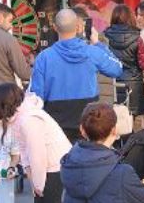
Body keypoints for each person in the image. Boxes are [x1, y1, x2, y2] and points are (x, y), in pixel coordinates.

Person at [3, 84, 72, 203]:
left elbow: (37, 153)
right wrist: (30, 175)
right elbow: (26, 151)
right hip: (48, 166)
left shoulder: (28, 119)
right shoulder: (22, 117)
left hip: (55, 166)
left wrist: (38, 182)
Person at [31, 8, 123, 141]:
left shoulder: (43, 58)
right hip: (88, 125)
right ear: (78, 27)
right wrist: (98, 44)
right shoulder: (92, 52)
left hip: (54, 126)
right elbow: (117, 68)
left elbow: (36, 97)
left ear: (55, 27)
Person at [102, 4, 144, 124]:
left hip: (111, 84)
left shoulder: (104, 36)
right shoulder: (139, 36)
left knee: (111, 121)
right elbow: (143, 63)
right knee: (131, 123)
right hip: (133, 85)